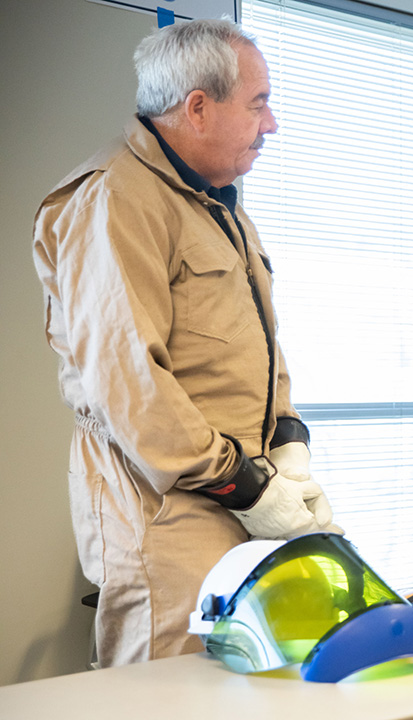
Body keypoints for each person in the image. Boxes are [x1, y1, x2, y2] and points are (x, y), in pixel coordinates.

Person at [32, 19, 339, 668]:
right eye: (258, 104)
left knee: (250, 689)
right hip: (169, 508)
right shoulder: (115, 198)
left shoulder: (219, 206)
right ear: (198, 106)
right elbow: (130, 386)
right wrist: (249, 489)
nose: (273, 124)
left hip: (241, 492)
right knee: (170, 695)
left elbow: (257, 347)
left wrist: (289, 448)